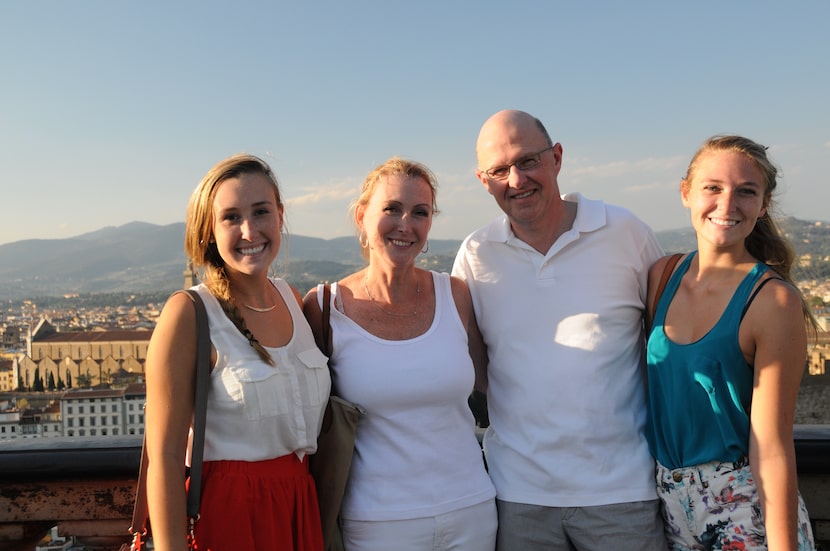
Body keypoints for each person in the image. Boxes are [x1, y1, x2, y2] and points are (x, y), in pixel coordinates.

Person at [452, 109, 667, 550]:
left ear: (557, 157)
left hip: (622, 492)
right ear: (483, 181)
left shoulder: (625, 232)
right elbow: (472, 364)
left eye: (528, 161)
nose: (516, 180)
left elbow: (666, 346)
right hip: (518, 495)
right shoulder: (476, 254)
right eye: (499, 170)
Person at [303, 157, 497, 551]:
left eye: (420, 212)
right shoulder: (324, 307)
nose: (405, 224)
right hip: (375, 522)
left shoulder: (455, 294)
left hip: (471, 509)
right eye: (391, 208)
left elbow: (495, 384)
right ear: (362, 216)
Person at [145, 153, 329, 551]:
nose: (249, 230)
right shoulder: (189, 313)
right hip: (229, 520)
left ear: (280, 215)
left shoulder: (293, 299)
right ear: (209, 231)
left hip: (299, 510)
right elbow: (164, 457)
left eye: (261, 211)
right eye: (231, 217)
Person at [645, 135, 816, 550]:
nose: (727, 204)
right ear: (686, 193)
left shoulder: (772, 301)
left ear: (764, 204)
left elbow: (772, 446)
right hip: (669, 505)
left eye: (746, 191)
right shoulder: (662, 276)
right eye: (713, 187)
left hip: (746, 507)